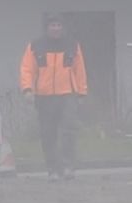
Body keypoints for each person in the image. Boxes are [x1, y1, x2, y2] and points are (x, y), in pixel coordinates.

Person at [19, 15, 88, 180]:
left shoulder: (72, 45)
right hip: (44, 96)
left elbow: (80, 70)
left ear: (62, 27)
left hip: (68, 94)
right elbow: (27, 69)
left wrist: (82, 92)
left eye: (58, 25)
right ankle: (53, 169)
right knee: (48, 133)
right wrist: (27, 89)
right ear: (47, 27)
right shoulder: (35, 46)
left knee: (69, 130)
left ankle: (68, 166)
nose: (56, 28)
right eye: (52, 25)